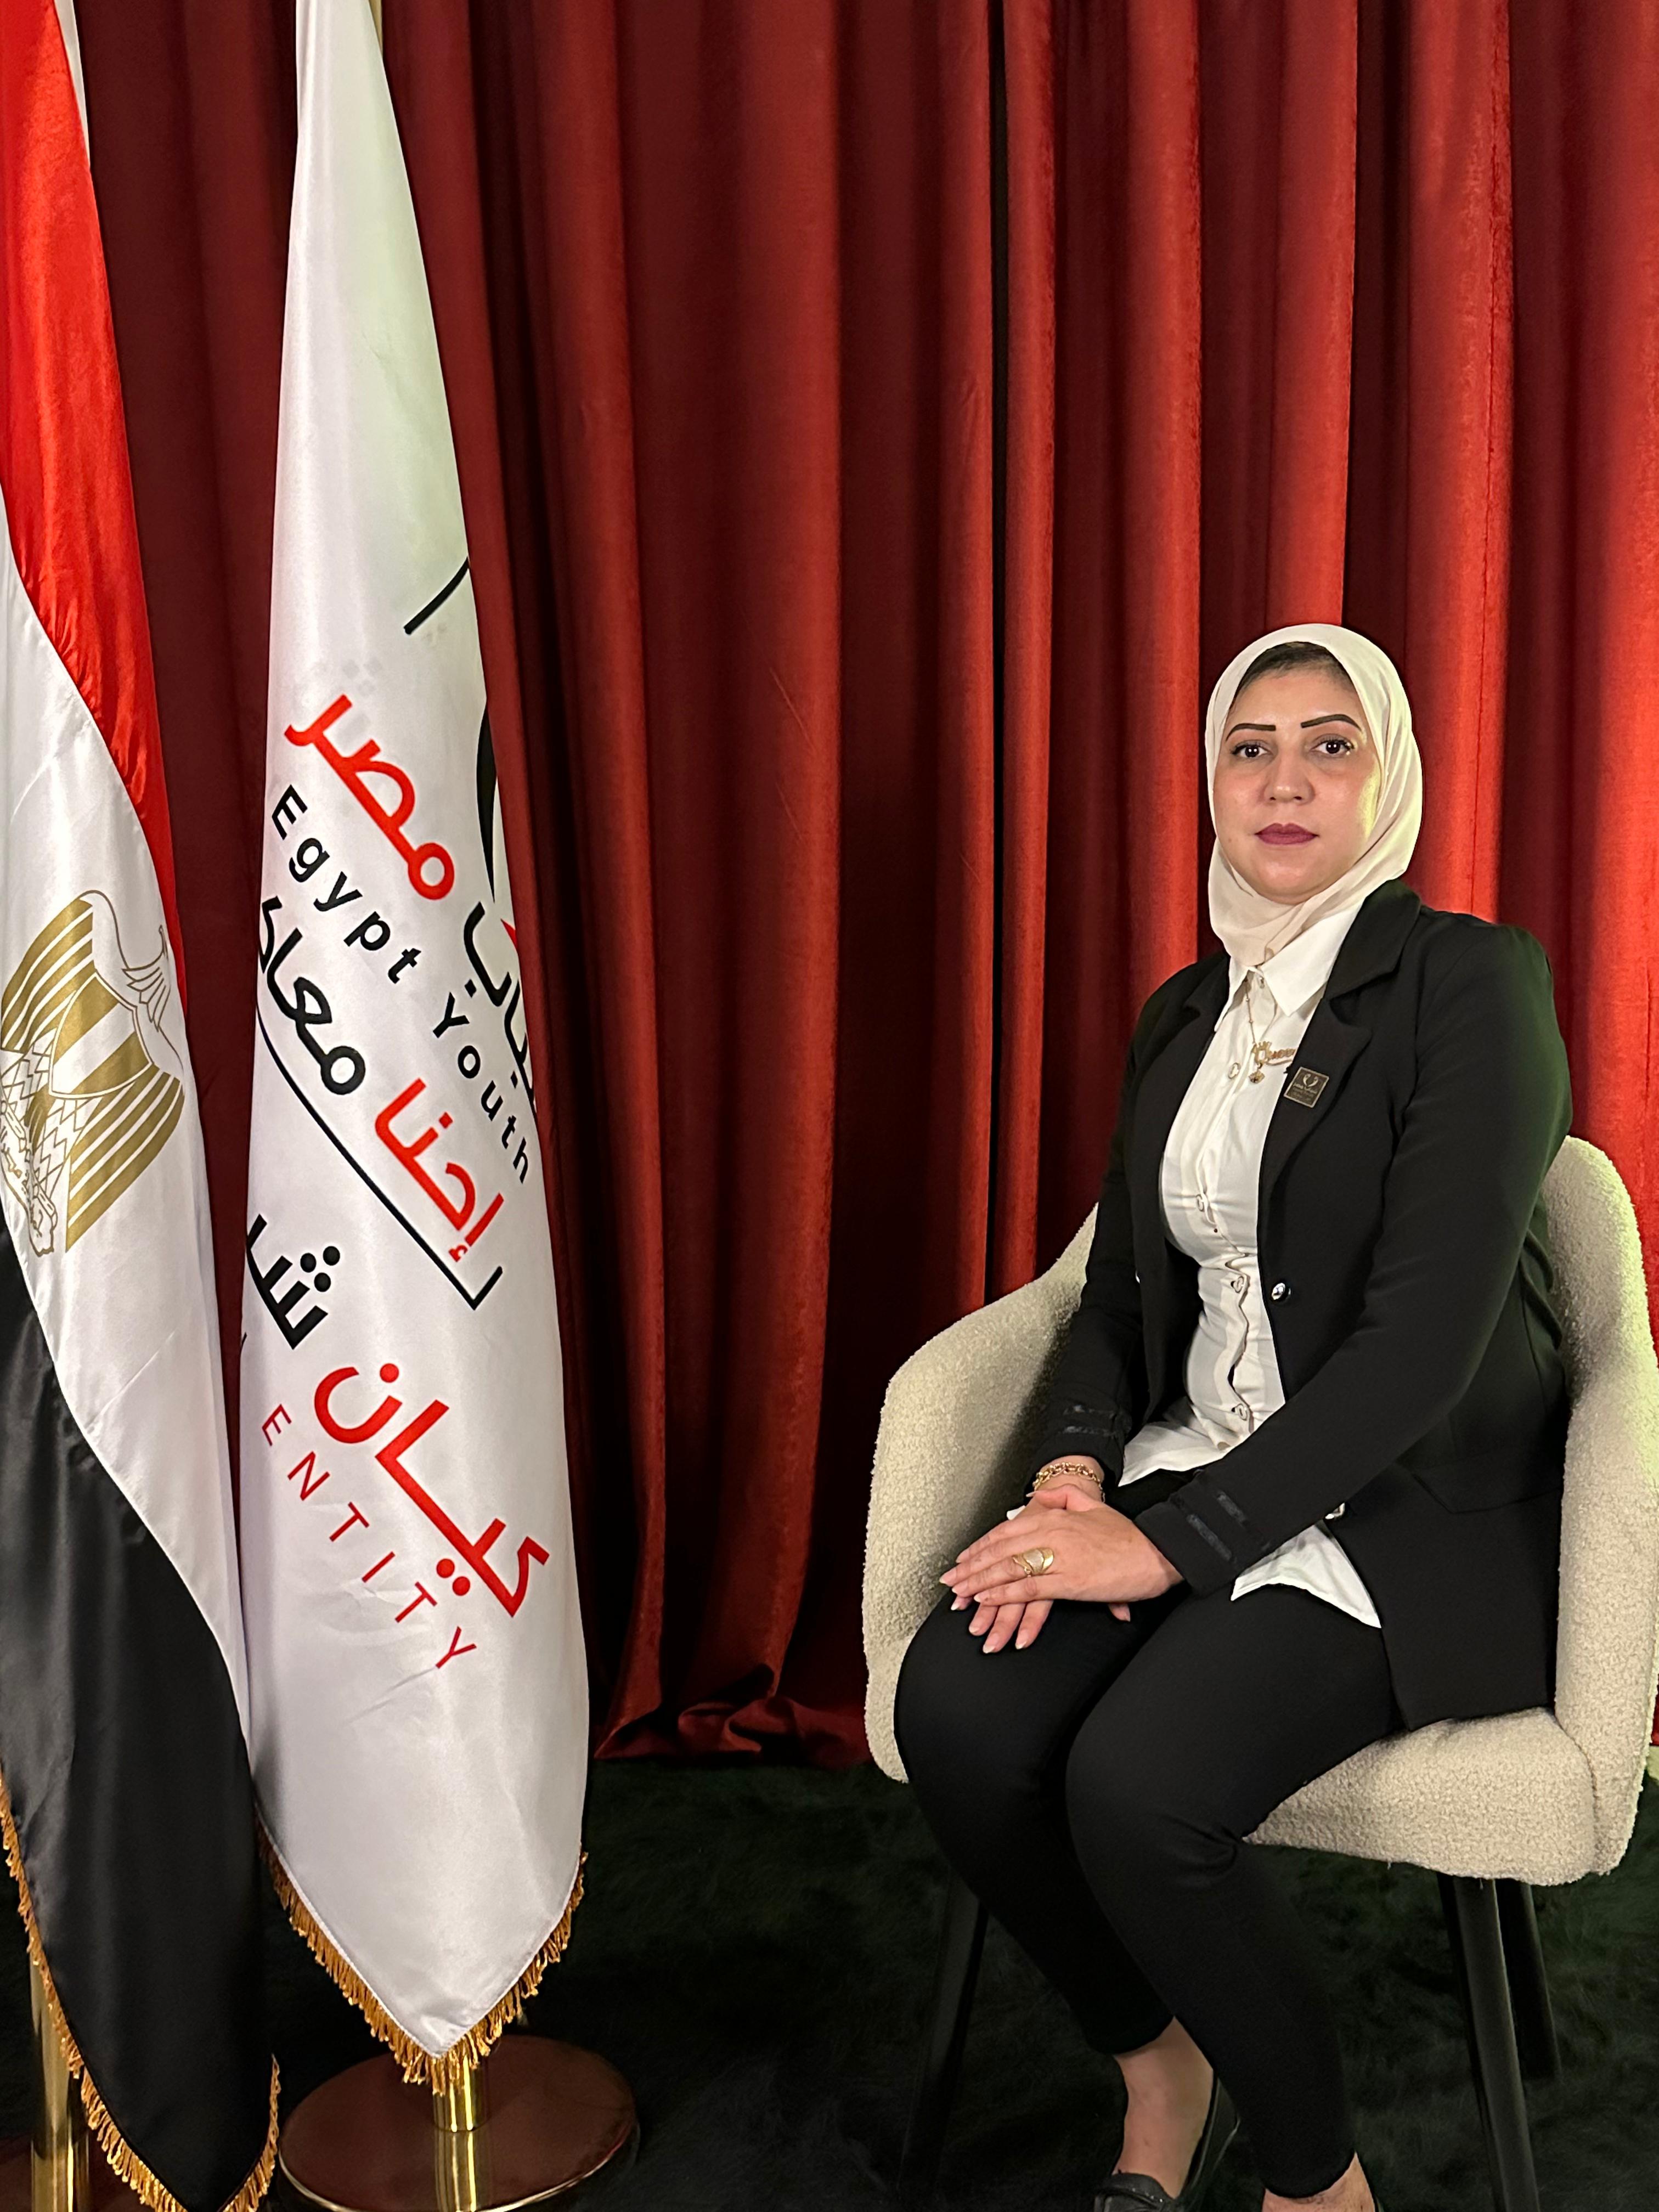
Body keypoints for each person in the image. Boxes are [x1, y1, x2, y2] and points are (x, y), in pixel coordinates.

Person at [891, 622, 1572, 2212]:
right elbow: (1121, 1296)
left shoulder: (1470, 985)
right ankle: (1157, 2062)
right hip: (1188, 1464)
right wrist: (1075, 1469)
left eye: (1330, 745)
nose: (1284, 783)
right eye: (1249, 749)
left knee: (1139, 1787)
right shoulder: (1183, 1017)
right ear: (1211, 782)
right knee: (961, 1716)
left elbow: (1420, 1351)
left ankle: (1316, 2180)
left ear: (1389, 778)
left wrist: (1167, 1545)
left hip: (1398, 1511)